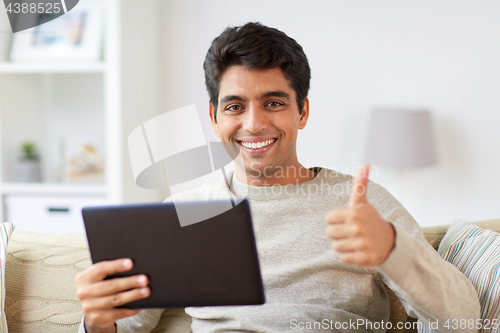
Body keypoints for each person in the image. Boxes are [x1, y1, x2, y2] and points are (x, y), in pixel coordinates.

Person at [76, 22, 480, 333]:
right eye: (235, 106)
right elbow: (122, 326)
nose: (253, 124)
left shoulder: (364, 204)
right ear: (215, 118)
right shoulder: (181, 215)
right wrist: (97, 320)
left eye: (273, 102)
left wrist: (393, 249)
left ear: (302, 112)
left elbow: (463, 318)